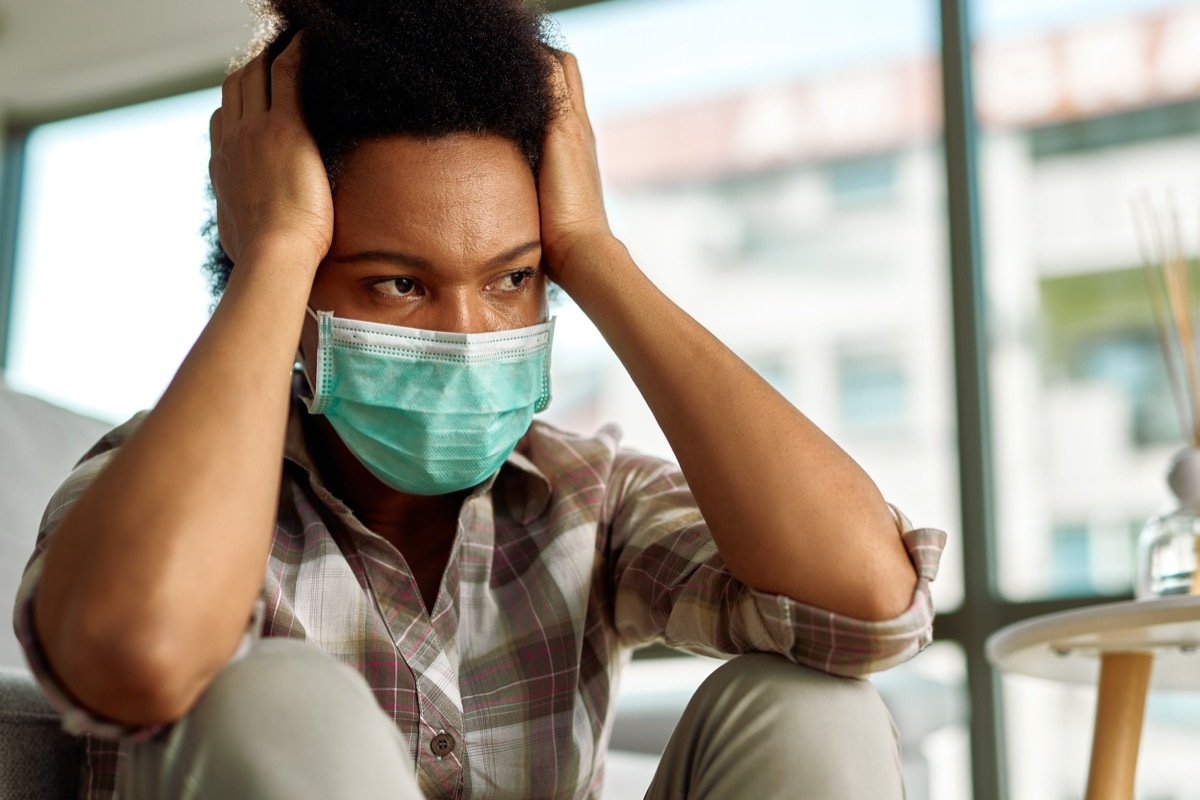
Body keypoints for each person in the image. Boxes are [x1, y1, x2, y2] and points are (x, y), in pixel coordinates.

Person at [13, 0, 946, 797]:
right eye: (398, 285)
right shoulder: (152, 483)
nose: (468, 335)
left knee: (812, 702)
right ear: (295, 294)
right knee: (279, 695)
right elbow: (136, 650)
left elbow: (866, 607)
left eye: (512, 280)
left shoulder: (585, 499)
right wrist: (277, 248)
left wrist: (594, 251)